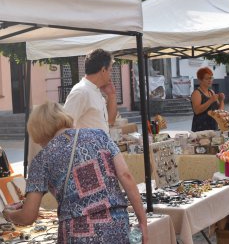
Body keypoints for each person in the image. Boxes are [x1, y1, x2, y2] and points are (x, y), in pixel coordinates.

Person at [2, 102, 148, 243]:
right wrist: (142, 221)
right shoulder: (100, 135)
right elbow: (126, 176)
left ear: (39, 130)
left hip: (77, 232)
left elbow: (28, 215)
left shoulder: (41, 159)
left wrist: (10, 215)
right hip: (117, 225)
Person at [64, 49, 117, 132]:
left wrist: (111, 95)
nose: (111, 74)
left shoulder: (94, 90)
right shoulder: (81, 92)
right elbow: (64, 127)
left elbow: (110, 121)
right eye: (110, 70)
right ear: (103, 70)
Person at [191, 67, 225, 132]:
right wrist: (210, 101)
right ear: (200, 80)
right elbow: (197, 111)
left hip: (213, 127)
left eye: (211, 78)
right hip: (200, 129)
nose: (210, 80)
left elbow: (219, 112)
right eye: (207, 78)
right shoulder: (197, 93)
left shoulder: (211, 92)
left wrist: (221, 100)